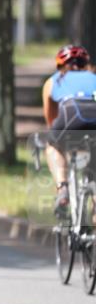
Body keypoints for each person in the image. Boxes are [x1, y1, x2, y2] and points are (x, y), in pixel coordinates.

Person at [42, 44, 96, 212]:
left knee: (52, 145)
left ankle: (62, 188)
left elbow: (50, 120)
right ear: (85, 63)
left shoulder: (54, 80)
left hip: (69, 117)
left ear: (60, 65)